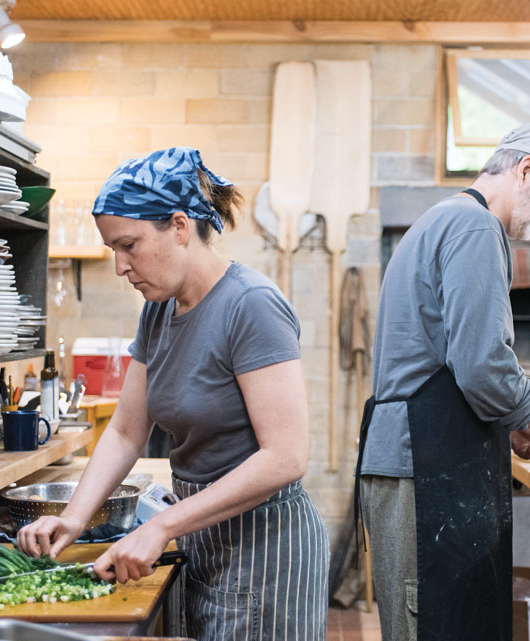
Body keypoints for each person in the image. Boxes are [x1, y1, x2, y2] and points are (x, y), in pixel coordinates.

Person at [17, 147, 329, 640]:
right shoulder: (159, 310)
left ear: (180, 228)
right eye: (112, 249)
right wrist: (74, 517)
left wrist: (160, 527)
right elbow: (124, 431)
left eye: (129, 245)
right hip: (202, 538)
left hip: (265, 550)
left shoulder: (250, 305)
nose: (120, 266)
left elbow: (286, 457)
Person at [355, 124, 530, 641]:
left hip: (416, 461)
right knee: (431, 624)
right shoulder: (475, 226)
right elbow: (485, 370)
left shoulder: (443, 218)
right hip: (421, 469)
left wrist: (512, 426)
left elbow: (447, 362)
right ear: (526, 169)